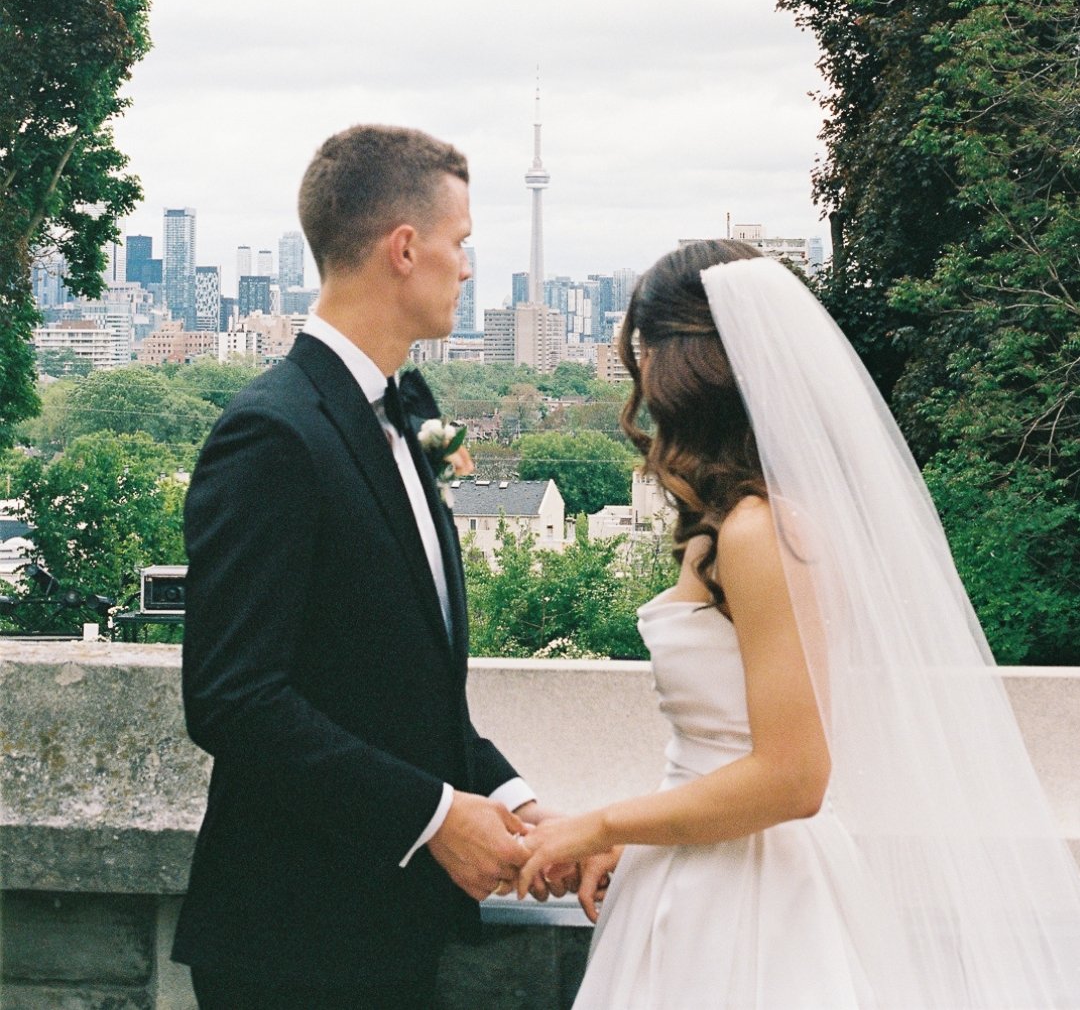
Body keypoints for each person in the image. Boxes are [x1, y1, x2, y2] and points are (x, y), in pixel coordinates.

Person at [517, 240, 1080, 1009]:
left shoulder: (760, 532)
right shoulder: (737, 525)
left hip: (750, 902)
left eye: (646, 354)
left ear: (680, 368)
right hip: (700, 875)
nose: (641, 381)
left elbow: (792, 776)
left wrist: (597, 824)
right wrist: (640, 833)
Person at [172, 125, 558, 1009]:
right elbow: (234, 699)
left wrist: (518, 804)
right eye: (461, 243)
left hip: (388, 934)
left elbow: (403, 686)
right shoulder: (272, 434)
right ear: (404, 248)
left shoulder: (395, 416)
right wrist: (435, 818)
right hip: (292, 948)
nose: (469, 269)